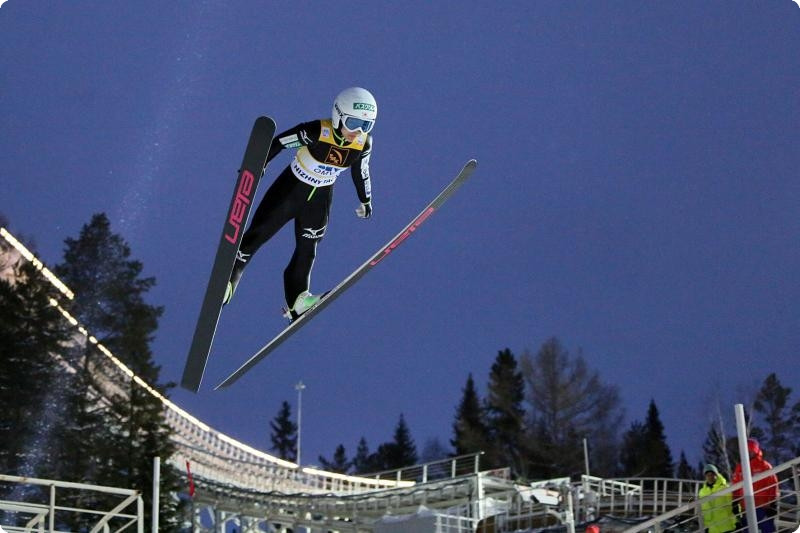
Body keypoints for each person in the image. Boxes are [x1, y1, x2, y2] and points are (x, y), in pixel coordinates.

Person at [223, 87, 377, 319]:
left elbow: (361, 172)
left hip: (320, 199)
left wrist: (365, 199)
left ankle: (298, 300)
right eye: (354, 123)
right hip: (290, 190)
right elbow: (279, 142)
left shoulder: (363, 144)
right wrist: (258, 166)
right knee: (257, 235)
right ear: (338, 116)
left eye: (366, 126)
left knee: (307, 250)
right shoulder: (317, 131)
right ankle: (229, 280)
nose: (358, 132)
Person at [732, 438, 780, 533]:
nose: (749, 453)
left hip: (763, 507)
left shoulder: (764, 466)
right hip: (746, 507)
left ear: (755, 451)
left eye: (751, 451)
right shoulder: (740, 468)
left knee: (767, 529)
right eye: (747, 451)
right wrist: (735, 502)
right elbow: (736, 485)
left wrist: (773, 503)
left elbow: (773, 485)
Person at [698, 464, 736, 533]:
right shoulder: (702, 492)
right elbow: (703, 510)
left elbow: (734, 505)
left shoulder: (725, 488)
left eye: (712, 474)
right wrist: (705, 526)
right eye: (708, 475)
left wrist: (736, 521)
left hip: (726, 526)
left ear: (716, 475)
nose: (710, 477)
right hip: (712, 528)